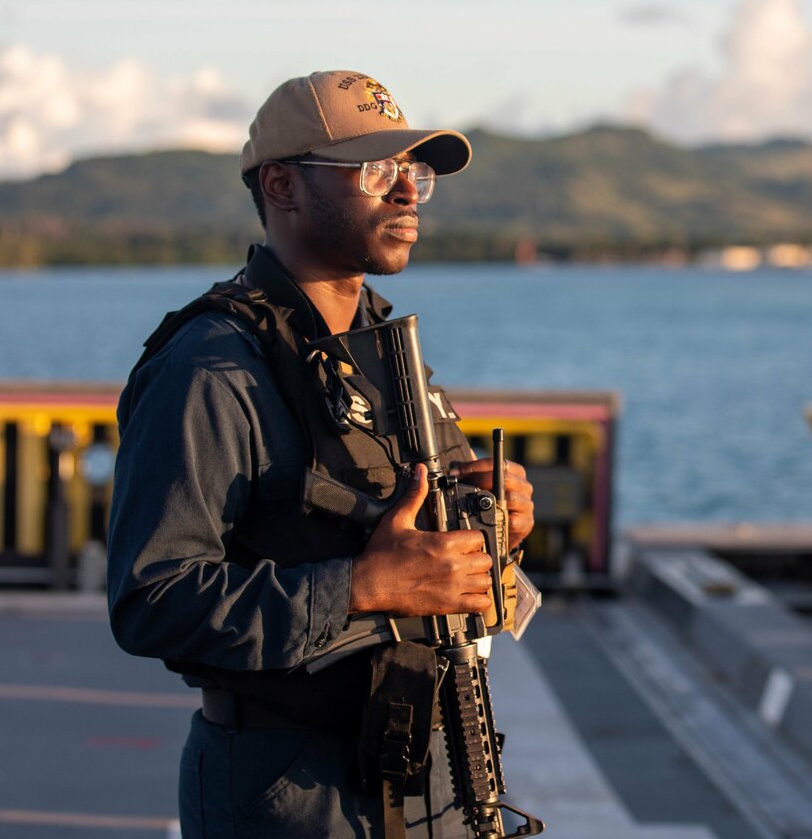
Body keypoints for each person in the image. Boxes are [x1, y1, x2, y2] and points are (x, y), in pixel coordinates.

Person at [106, 70, 535, 838]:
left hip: (425, 765)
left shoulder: (383, 351)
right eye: (376, 171)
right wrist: (365, 585)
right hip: (288, 785)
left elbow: (434, 545)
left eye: (415, 173)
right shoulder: (209, 368)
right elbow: (153, 601)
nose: (405, 191)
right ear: (282, 185)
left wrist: (493, 522)